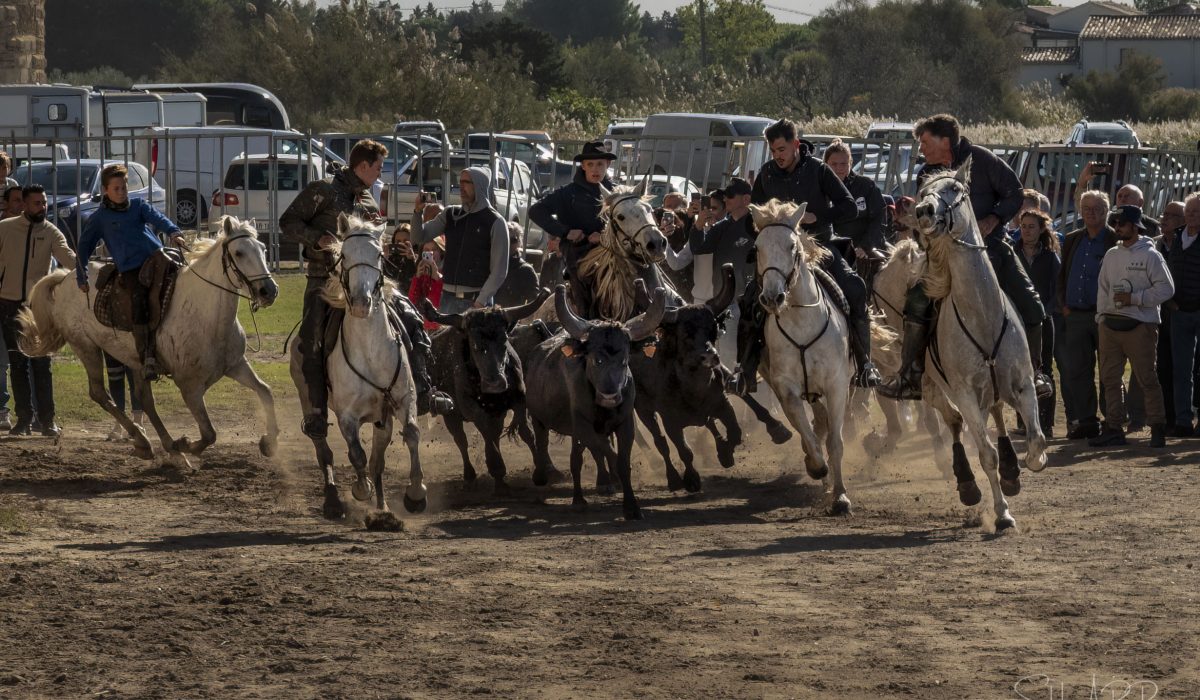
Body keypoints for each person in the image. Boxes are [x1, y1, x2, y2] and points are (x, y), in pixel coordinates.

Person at [283, 139, 452, 438]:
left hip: (374, 284)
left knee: (412, 321)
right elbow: (288, 222)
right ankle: (318, 413)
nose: (380, 174)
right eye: (377, 168)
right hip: (325, 280)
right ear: (362, 166)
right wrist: (317, 239)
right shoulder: (322, 191)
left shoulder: (369, 200)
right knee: (311, 340)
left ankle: (423, 392)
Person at [878, 114, 1049, 402]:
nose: (921, 149)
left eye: (925, 142)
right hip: (942, 257)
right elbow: (925, 218)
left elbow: (1014, 193)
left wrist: (994, 218)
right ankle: (911, 375)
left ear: (945, 140)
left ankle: (1037, 371)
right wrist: (912, 220)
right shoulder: (925, 174)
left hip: (991, 248)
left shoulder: (982, 159)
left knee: (1032, 304)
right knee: (917, 302)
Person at [742, 119, 881, 390]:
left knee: (854, 288)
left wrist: (819, 216)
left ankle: (865, 364)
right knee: (749, 300)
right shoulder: (767, 174)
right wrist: (766, 226)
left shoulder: (818, 169)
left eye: (781, 149)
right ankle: (745, 370)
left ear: (795, 145)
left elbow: (849, 207)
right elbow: (750, 221)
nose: (777, 156)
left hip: (819, 246)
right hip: (779, 254)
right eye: (772, 151)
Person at [76, 165, 184, 382]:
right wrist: (81, 276)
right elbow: (84, 247)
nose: (122, 192)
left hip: (157, 258)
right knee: (139, 300)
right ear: (106, 190)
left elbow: (158, 218)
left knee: (184, 279)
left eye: (124, 187)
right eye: (116, 188)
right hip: (131, 270)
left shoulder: (138, 205)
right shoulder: (100, 218)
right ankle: (147, 357)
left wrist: (174, 232)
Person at [1088, 205, 1174, 448]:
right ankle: (1114, 427)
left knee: (1147, 377)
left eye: (1122, 223)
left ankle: (1157, 426)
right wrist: (1101, 317)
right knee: (1109, 378)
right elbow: (1103, 287)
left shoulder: (1151, 255)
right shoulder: (1112, 255)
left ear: (1135, 227)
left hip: (1141, 326)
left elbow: (1166, 289)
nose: (1117, 228)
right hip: (1110, 325)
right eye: (1115, 223)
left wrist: (1135, 299)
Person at [0, 185, 77, 436]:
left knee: (42, 363)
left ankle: (48, 420)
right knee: (18, 363)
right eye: (36, 203)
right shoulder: (6, 228)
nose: (42, 207)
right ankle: (23, 420)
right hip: (8, 304)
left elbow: (67, 257)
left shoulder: (51, 232)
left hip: (38, 308)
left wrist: (85, 270)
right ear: (23, 204)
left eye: (44, 203)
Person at [528, 141, 613, 318]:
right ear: (583, 166)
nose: (595, 169)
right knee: (582, 290)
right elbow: (535, 211)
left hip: (612, 253)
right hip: (578, 255)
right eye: (590, 164)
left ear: (608, 164)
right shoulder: (567, 193)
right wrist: (565, 231)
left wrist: (604, 236)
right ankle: (583, 325)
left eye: (600, 164)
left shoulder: (617, 193)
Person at [1057, 190, 1117, 439]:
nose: (1091, 212)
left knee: (1108, 370)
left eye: (1096, 208)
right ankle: (1087, 420)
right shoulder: (1072, 239)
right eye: (1086, 208)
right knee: (1077, 370)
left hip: (1104, 315)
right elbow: (1062, 275)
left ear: (1106, 211)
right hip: (1076, 315)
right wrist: (1064, 306)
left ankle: (1111, 420)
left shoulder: (1114, 240)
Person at [411, 166, 508, 314]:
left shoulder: (495, 221)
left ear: (479, 185)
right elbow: (419, 237)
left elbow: (499, 270)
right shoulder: (450, 214)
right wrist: (418, 211)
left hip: (475, 302)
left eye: (467, 182)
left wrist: (479, 303)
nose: (461, 186)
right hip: (446, 300)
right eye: (460, 181)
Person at [1016, 210, 1062, 437]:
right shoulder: (1012, 253)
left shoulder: (1050, 256)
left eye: (1031, 226)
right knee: (1019, 372)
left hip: (1043, 321)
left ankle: (1046, 423)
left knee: (1043, 370)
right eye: (1023, 226)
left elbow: (1057, 287)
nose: (1026, 230)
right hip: (1017, 321)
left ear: (1041, 229)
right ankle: (1024, 422)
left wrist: (1047, 311)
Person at [1166, 193, 1200, 437]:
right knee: (1181, 368)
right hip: (1179, 310)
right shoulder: (1177, 237)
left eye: (1196, 211)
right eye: (1189, 210)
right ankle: (1183, 420)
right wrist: (1170, 301)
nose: (1191, 215)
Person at [822, 139, 887, 256]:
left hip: (864, 250)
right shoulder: (819, 189)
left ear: (850, 163)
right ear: (826, 164)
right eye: (834, 164)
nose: (838, 168)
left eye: (843, 164)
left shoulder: (866, 186)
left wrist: (865, 246)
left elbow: (879, 220)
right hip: (830, 250)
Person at [495, 222, 539, 307]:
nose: (508, 244)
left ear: (519, 242)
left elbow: (534, 301)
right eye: (505, 239)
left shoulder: (526, 271)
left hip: (512, 317)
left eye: (513, 240)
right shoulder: (491, 265)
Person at [408, 238, 445, 330]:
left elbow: (437, 306)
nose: (431, 253)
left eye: (434, 249)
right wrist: (417, 278)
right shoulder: (420, 275)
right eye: (427, 250)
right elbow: (412, 303)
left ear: (441, 252)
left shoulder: (448, 276)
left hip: (439, 328)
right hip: (422, 328)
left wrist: (436, 278)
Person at [382, 223, 418, 290]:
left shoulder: (418, 258)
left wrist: (411, 260)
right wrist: (384, 260)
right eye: (398, 241)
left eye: (405, 241)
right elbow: (387, 280)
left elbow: (413, 280)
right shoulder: (391, 259)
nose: (401, 244)